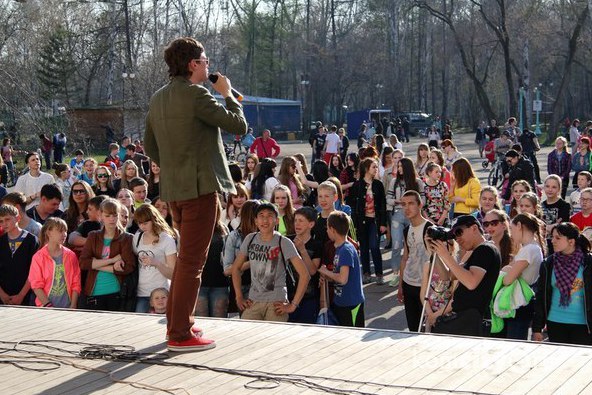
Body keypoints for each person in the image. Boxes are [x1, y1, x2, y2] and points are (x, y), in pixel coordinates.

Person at [143, 37, 248, 352]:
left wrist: (173, 166)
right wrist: (227, 94)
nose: (207, 65)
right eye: (204, 60)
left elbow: (150, 146)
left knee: (187, 261)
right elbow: (238, 125)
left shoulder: (159, 98)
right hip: (200, 189)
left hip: (174, 190)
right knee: (192, 264)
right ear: (192, 64)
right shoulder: (197, 95)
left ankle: (178, 324)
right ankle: (179, 333)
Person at [231, 202, 310, 322]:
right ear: (256, 221)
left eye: (269, 216)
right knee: (247, 337)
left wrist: (293, 305)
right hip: (253, 301)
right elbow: (236, 268)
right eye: (261, 216)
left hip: (276, 304)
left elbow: (305, 275)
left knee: (274, 339)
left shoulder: (284, 242)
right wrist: (239, 297)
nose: (265, 220)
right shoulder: (250, 239)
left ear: (276, 221)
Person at [428, 215, 501, 336]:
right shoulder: (475, 252)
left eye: (459, 232)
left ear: (474, 228)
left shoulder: (485, 249)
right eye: (454, 236)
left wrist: (446, 255)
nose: (457, 239)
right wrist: (435, 252)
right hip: (465, 319)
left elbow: (471, 282)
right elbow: (448, 276)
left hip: (472, 320)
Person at [532, 223, 592, 345]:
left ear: (571, 241)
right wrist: (537, 328)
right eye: (552, 237)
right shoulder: (548, 263)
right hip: (555, 322)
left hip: (583, 325)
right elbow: (541, 296)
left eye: (558, 238)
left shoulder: (588, 262)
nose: (552, 240)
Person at [79, 198, 136, 311]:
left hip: (116, 292)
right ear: (101, 215)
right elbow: (83, 263)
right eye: (108, 215)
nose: (112, 219)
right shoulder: (93, 236)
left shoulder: (126, 238)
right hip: (94, 292)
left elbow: (129, 267)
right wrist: (112, 261)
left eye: (114, 215)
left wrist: (96, 264)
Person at [498, 213, 545, 340]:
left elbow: (508, 280)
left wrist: (506, 270)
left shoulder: (529, 249)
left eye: (512, 229)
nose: (511, 234)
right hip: (523, 301)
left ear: (519, 226)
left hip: (520, 302)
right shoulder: (534, 248)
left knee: (514, 342)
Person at [318, 211, 365, 327]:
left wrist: (326, 272)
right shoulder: (339, 248)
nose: (326, 231)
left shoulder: (346, 250)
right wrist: (328, 278)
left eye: (327, 228)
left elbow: (343, 279)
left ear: (333, 229)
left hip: (351, 304)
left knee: (352, 336)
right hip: (341, 302)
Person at [397, 191, 432, 331]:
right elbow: (405, 257)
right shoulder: (406, 230)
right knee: (412, 328)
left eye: (411, 203)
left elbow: (436, 260)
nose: (407, 208)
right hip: (408, 283)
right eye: (403, 204)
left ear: (420, 205)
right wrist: (400, 285)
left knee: (425, 329)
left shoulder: (429, 229)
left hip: (425, 286)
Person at [133, 204, 176, 313]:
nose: (142, 226)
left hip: (161, 293)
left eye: (146, 223)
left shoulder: (167, 239)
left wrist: (156, 263)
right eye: (139, 223)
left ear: (154, 219)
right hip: (141, 292)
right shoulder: (137, 237)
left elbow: (173, 273)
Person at [29, 217, 81, 309]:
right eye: (60, 231)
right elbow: (36, 285)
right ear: (49, 233)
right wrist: (48, 306)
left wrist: (73, 305)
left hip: (67, 307)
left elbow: (76, 282)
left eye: (65, 231)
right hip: (45, 308)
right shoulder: (38, 257)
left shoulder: (71, 255)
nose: (64, 234)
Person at [350, 158, 387, 285]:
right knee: (364, 248)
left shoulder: (378, 184)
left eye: (376, 167)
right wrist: (354, 224)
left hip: (374, 221)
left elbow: (383, 204)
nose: (376, 169)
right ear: (366, 169)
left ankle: (379, 274)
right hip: (361, 221)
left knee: (374, 246)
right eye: (374, 167)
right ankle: (366, 273)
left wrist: (383, 223)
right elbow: (352, 205)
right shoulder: (357, 185)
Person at [288, 206, 322, 324]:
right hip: (289, 296)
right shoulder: (288, 241)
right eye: (295, 220)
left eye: (301, 221)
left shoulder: (316, 245)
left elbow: (312, 271)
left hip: (309, 298)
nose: (297, 224)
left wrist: (302, 250)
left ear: (311, 224)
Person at [0, 204, 39, 306]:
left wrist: (21, 296)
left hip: (25, 296)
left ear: (18, 218)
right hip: (3, 297)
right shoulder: (1, 241)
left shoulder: (31, 240)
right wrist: (2, 294)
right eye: (1, 221)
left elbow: (34, 271)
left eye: (7, 219)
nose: (4, 223)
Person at [542, 175, 571, 253]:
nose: (550, 190)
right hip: (543, 244)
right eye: (547, 186)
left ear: (559, 189)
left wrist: (546, 227)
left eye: (554, 187)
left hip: (558, 246)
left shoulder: (564, 205)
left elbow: (562, 227)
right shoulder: (540, 206)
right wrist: (553, 225)